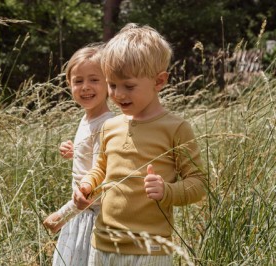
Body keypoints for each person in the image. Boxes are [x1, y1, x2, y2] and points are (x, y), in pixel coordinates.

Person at [74, 23, 207, 265]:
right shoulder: (110, 126)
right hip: (103, 244)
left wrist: (168, 191)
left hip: (150, 251)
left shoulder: (175, 129)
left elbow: (198, 184)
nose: (118, 94)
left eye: (129, 86)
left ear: (159, 81)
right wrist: (87, 185)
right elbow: (101, 169)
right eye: (112, 85)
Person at [43, 43, 114, 266]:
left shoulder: (107, 124)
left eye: (94, 79)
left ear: (109, 83)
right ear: (69, 84)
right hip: (80, 214)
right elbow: (92, 160)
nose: (85, 87)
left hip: (92, 217)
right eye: (78, 81)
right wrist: (76, 152)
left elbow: (98, 182)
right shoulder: (87, 118)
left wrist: (61, 216)